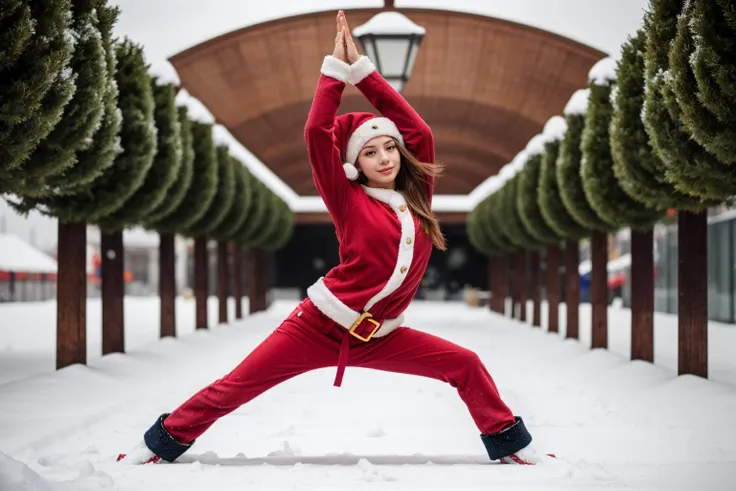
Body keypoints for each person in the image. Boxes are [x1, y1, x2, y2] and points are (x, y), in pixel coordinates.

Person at [119, 10, 541, 466]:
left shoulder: (418, 197)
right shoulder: (347, 198)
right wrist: (337, 73)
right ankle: (162, 445)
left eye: (390, 149)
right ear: (355, 164)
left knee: (465, 364)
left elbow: (420, 132)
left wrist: (367, 73)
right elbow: (316, 133)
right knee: (237, 385)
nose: (384, 158)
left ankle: (509, 446)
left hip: (383, 334)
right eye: (370, 151)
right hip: (317, 326)